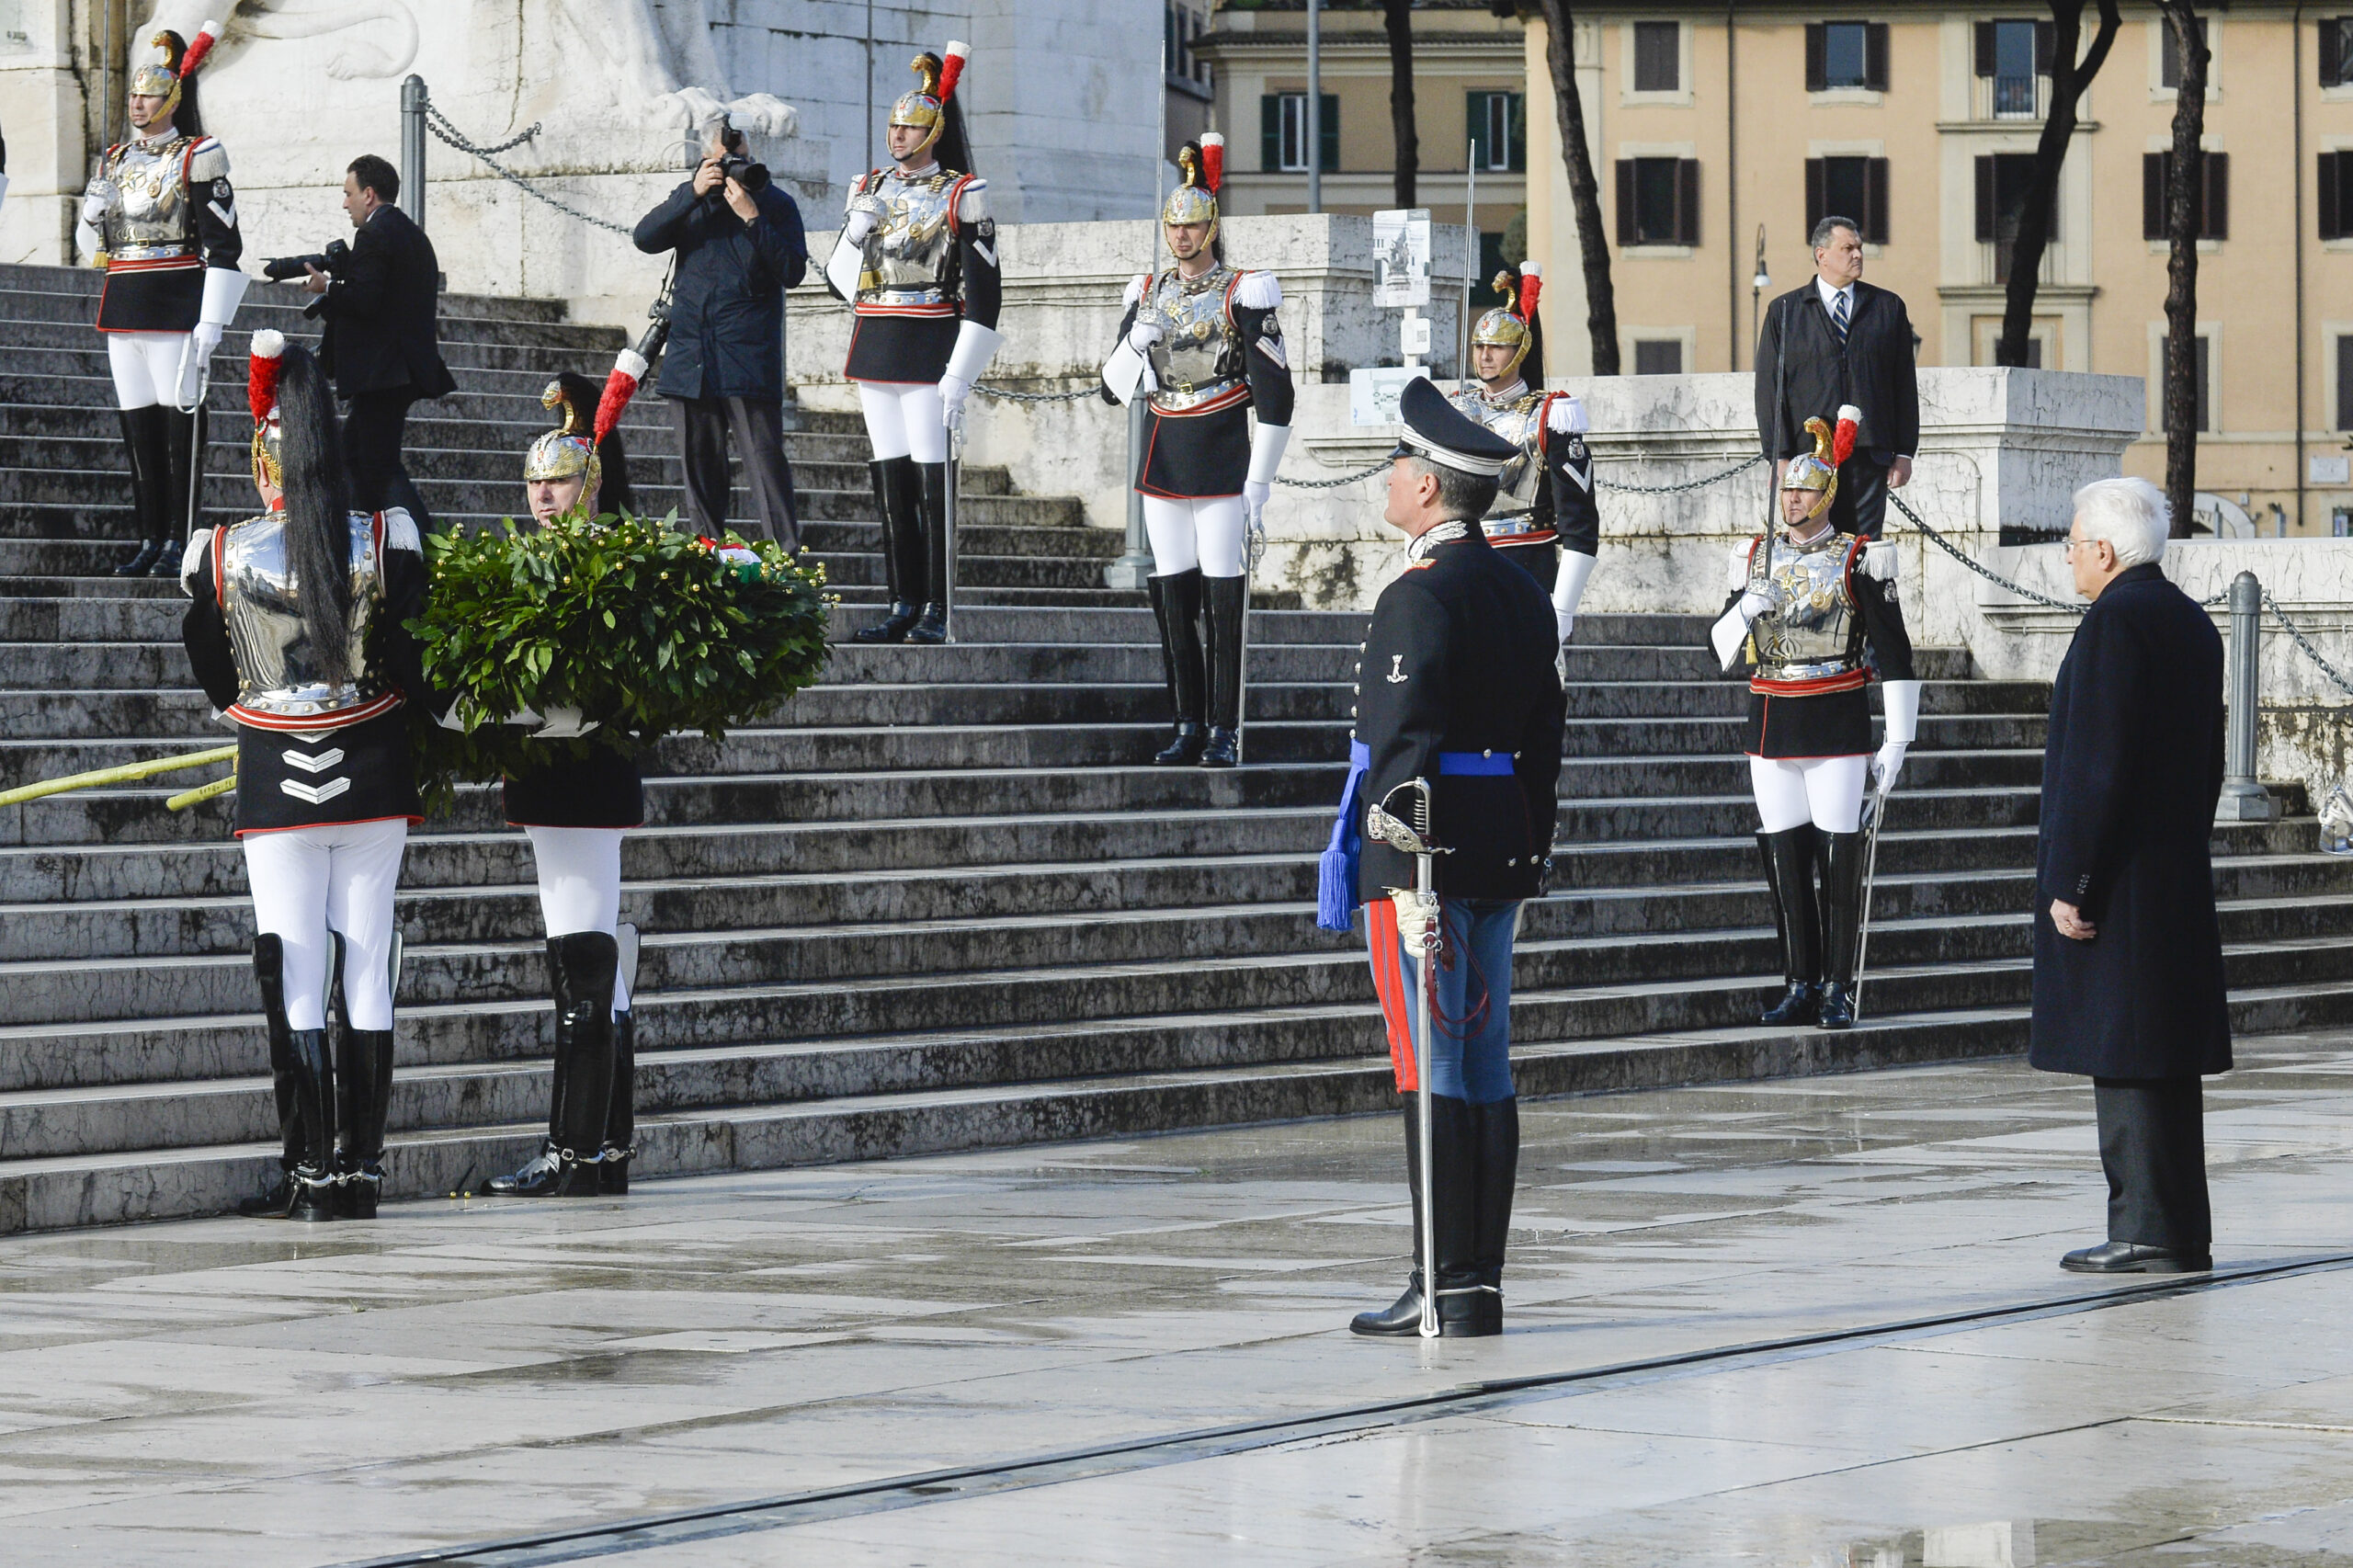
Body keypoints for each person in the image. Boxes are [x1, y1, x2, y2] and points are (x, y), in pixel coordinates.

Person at [1316, 378, 1564, 1338]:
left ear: (1425, 487)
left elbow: (1403, 744)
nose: (1387, 480)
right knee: (1485, 1060)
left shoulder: (1420, 593)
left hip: (1423, 858)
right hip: (1498, 843)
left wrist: (1399, 866)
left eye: (1396, 469)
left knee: (1429, 1063)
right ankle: (1477, 1281)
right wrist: (1525, 845)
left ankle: (1436, 1283)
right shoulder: (1519, 589)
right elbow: (1544, 738)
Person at [179, 331, 427, 1222]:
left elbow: (210, 661)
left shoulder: (219, 551)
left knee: (293, 967)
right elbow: (409, 650)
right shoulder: (386, 536)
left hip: (277, 772)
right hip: (374, 772)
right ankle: (361, 1170)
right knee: (365, 966)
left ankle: (310, 1171)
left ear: (263, 464)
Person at [2032, 477, 2229, 1275]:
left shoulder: (2112, 624)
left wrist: (2076, 882)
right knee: (2165, 1058)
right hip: (2172, 864)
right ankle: (2177, 1226)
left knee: (2126, 1055)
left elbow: (2100, 766)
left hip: (2117, 878)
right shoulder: (2188, 620)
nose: (2071, 558)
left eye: (2075, 544)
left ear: (2105, 551)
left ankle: (2144, 1227)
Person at [482, 370, 653, 1199]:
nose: (545, 496)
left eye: (560, 482)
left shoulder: (613, 559)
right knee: (595, 967)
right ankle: (605, 1150)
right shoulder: (528, 560)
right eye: (536, 484)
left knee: (579, 959)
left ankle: (572, 1152)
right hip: (549, 780)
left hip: (586, 774)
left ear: (589, 487)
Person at [1709, 407, 1918, 1031]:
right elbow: (1718, 651)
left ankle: (1837, 986)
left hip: (1836, 720)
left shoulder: (1859, 557)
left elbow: (1897, 653)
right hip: (1772, 719)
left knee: (1839, 856)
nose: (1792, 499)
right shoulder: (1753, 558)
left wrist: (1898, 739)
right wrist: (1747, 609)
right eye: (1788, 488)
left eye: (1804, 489)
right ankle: (1798, 980)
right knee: (1783, 856)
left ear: (1827, 493)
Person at [1099, 134, 1293, 767]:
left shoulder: (1243, 292)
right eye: (1173, 225)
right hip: (1163, 450)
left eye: (1192, 225)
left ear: (1211, 227)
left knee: (1222, 598)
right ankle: (1185, 721)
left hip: (1218, 451)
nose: (1181, 236)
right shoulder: (1148, 291)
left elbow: (1276, 397)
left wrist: (1258, 483)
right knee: (1171, 598)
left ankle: (1223, 727)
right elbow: (1110, 390)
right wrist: (1136, 343)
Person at [824, 43, 1005, 644]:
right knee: (890, 482)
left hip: (932, 345)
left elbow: (985, 293)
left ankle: (937, 608)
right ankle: (902, 601)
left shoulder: (963, 192)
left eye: (910, 128)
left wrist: (962, 372)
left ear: (933, 131)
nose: (898, 137)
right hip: (876, 341)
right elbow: (839, 285)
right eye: (894, 127)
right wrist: (855, 231)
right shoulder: (866, 187)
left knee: (932, 483)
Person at [77, 23, 245, 580]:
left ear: (172, 98)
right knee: (139, 432)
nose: (137, 103)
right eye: (134, 95)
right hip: (124, 304)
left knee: (180, 433)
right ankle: (150, 537)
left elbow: (224, 245)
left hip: (176, 305)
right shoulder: (116, 160)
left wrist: (213, 322)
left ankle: (181, 538)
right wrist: (91, 210)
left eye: (148, 94)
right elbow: (91, 248)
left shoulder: (200, 153)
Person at [631, 119, 809, 550]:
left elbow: (793, 271)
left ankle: (786, 567)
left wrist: (753, 218)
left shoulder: (775, 204)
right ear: (706, 160)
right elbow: (645, 237)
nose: (733, 168)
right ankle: (708, 563)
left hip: (747, 360)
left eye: (742, 159)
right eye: (723, 160)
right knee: (700, 476)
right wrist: (692, 192)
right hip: (691, 359)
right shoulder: (691, 199)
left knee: (767, 471)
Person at [1445, 260, 1599, 643]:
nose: (1484, 356)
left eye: (1497, 347)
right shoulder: (1456, 409)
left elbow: (1580, 524)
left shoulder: (1552, 415)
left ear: (1519, 350)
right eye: (1480, 346)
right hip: (1460, 563)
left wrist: (1562, 609)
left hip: (1526, 566)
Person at [302, 154, 457, 532]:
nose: (345, 203)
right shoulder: (410, 232)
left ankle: (424, 547)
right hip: (396, 370)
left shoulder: (374, 233)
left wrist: (327, 287)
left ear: (368, 194)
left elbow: (364, 300)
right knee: (355, 457)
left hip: (384, 373)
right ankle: (371, 545)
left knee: (376, 464)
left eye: (348, 193)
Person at [1753, 217, 1917, 540]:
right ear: (1821, 255)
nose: (1857, 255)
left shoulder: (1888, 308)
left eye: (1859, 248)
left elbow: (1903, 385)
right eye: (1847, 248)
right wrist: (1779, 454)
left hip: (1870, 453)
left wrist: (1904, 451)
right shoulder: (1784, 311)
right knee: (1812, 544)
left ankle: (1864, 593)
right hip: (1806, 456)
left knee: (1863, 549)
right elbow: (1770, 389)